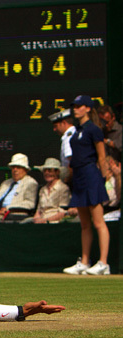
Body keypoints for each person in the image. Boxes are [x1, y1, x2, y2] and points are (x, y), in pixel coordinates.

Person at [63, 96, 111, 276]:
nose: (75, 109)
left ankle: (103, 263)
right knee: (85, 224)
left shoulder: (94, 129)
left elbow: (101, 156)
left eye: (79, 106)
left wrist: (103, 178)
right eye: (74, 106)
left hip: (91, 175)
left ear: (88, 108)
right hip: (79, 177)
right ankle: (84, 262)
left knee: (98, 222)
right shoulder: (75, 131)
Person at [23, 158, 72, 224]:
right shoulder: (42, 189)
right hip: (41, 223)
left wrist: (45, 220)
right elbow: (39, 211)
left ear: (57, 172)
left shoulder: (63, 188)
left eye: (50, 170)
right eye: (45, 170)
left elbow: (63, 212)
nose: (47, 173)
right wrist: (36, 220)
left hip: (56, 223)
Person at [48, 108, 76, 183]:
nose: (54, 129)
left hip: (74, 179)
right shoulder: (76, 132)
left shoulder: (68, 138)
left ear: (63, 123)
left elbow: (72, 161)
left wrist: (67, 179)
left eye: (55, 126)